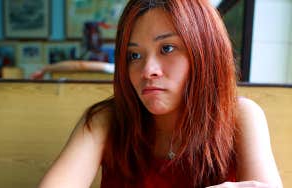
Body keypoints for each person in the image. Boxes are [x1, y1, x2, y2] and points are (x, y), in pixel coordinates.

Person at [38, 0, 283, 187]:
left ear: (205, 53)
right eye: (134, 55)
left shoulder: (241, 115)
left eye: (167, 48)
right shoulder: (108, 119)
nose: (147, 71)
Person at [30, 60, 114, 79]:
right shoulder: (116, 68)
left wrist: (44, 69)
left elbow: (80, 65)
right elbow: (80, 65)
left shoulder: (116, 68)